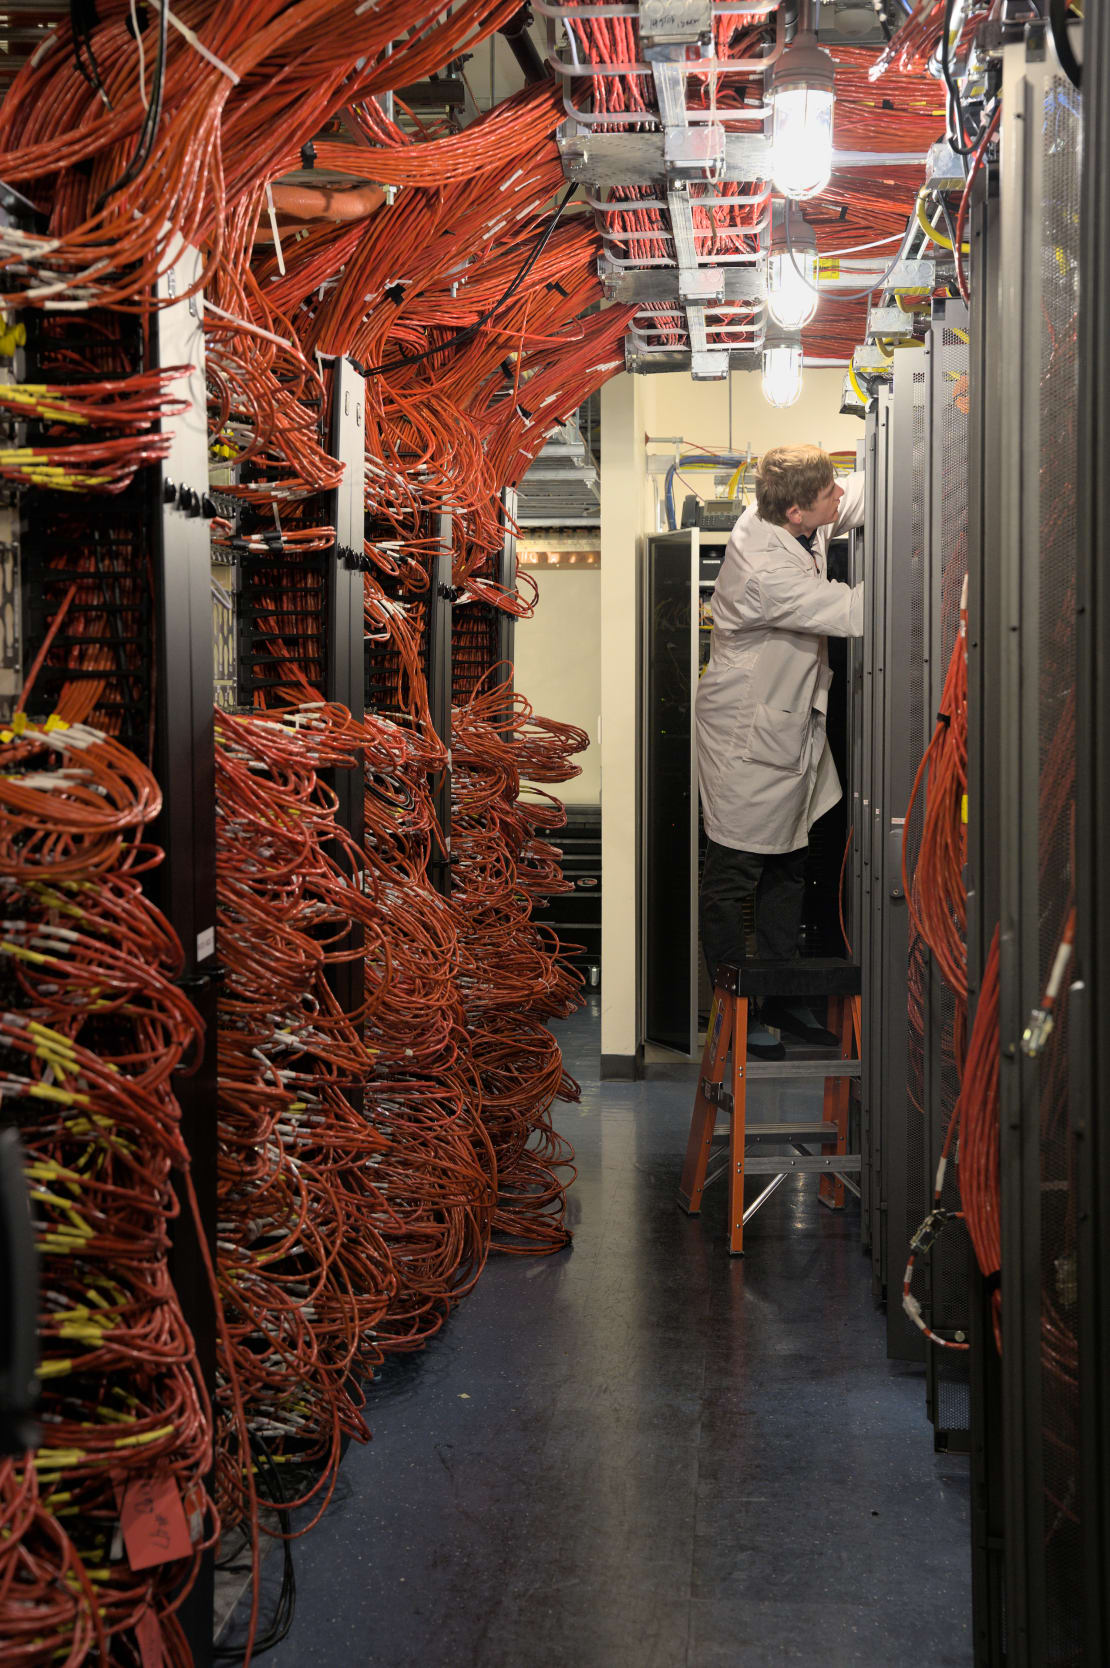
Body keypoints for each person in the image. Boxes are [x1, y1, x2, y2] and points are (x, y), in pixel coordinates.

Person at [695, 444, 865, 1060]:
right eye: (827, 495)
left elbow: (854, 494)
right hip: (750, 736)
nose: (838, 498)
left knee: (790, 859)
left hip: (786, 727)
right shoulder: (767, 570)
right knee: (734, 872)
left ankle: (783, 999)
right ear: (797, 511)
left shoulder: (784, 516)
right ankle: (732, 1014)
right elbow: (854, 610)